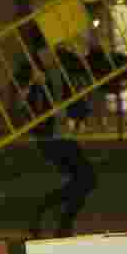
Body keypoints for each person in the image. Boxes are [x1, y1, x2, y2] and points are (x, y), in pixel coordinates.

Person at [21, 45, 98, 239]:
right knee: (86, 179)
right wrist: (33, 84)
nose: (48, 55)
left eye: (51, 51)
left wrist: (79, 118)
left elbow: (76, 100)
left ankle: (47, 212)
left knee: (86, 180)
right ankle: (57, 219)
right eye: (44, 52)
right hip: (50, 139)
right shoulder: (36, 77)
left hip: (64, 137)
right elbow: (25, 108)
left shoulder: (63, 75)